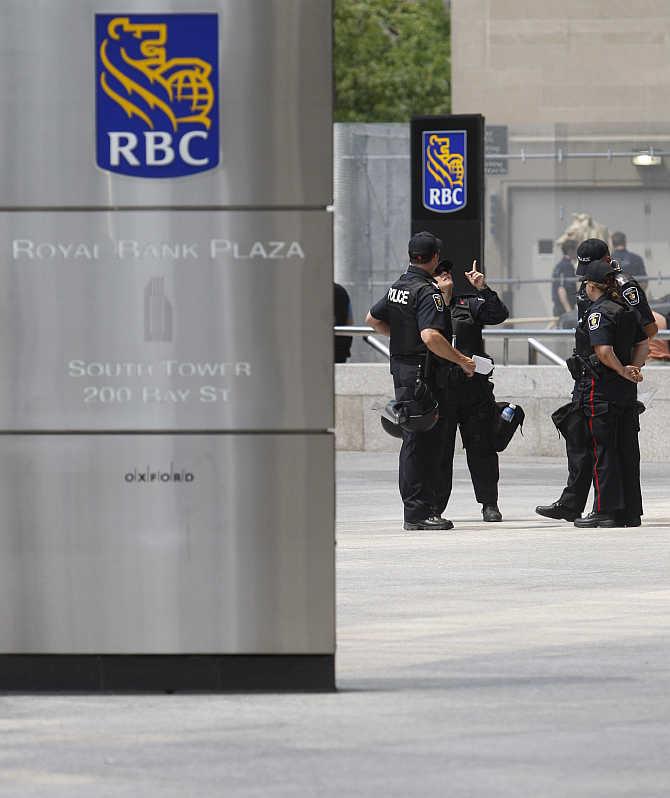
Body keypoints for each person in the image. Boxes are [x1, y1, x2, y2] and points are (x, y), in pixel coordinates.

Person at [536, 238, 656, 524]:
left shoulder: (624, 287)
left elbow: (646, 330)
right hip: (588, 373)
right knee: (580, 438)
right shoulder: (589, 284)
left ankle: (609, 508)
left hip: (605, 376)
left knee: (604, 445)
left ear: (607, 259)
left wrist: (628, 366)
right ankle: (572, 502)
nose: (585, 277)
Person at [365, 231, 475, 531]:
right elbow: (430, 336)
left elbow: (372, 320)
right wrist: (462, 360)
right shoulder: (427, 292)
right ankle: (417, 512)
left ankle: (419, 509)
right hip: (423, 376)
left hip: (403, 372)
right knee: (422, 442)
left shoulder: (398, 287)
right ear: (435, 258)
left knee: (414, 439)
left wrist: (404, 338)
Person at [569, 259, 648, 527]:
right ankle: (630, 511)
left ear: (592, 286)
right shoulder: (625, 310)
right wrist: (633, 368)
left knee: (603, 449)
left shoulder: (599, 312)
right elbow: (644, 342)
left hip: (601, 390)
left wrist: (621, 370)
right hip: (625, 392)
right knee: (627, 449)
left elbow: (603, 351)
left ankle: (605, 511)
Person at [433, 258, 509, 522]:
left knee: (482, 447)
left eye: (446, 272)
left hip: (473, 388)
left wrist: (483, 288)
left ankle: (489, 503)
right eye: (438, 273)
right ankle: (435, 507)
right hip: (441, 390)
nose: (444, 275)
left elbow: (498, 315)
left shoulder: (468, 303)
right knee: (441, 450)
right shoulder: (425, 307)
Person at [552, 240, 578, 318]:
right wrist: (569, 311)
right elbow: (561, 290)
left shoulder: (559, 266)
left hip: (558, 308)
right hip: (565, 309)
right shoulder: (567, 267)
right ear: (570, 251)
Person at [334, 282, 354, 363]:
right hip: (340, 348)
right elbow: (350, 322)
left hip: (315, 348)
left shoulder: (310, 292)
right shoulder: (341, 291)